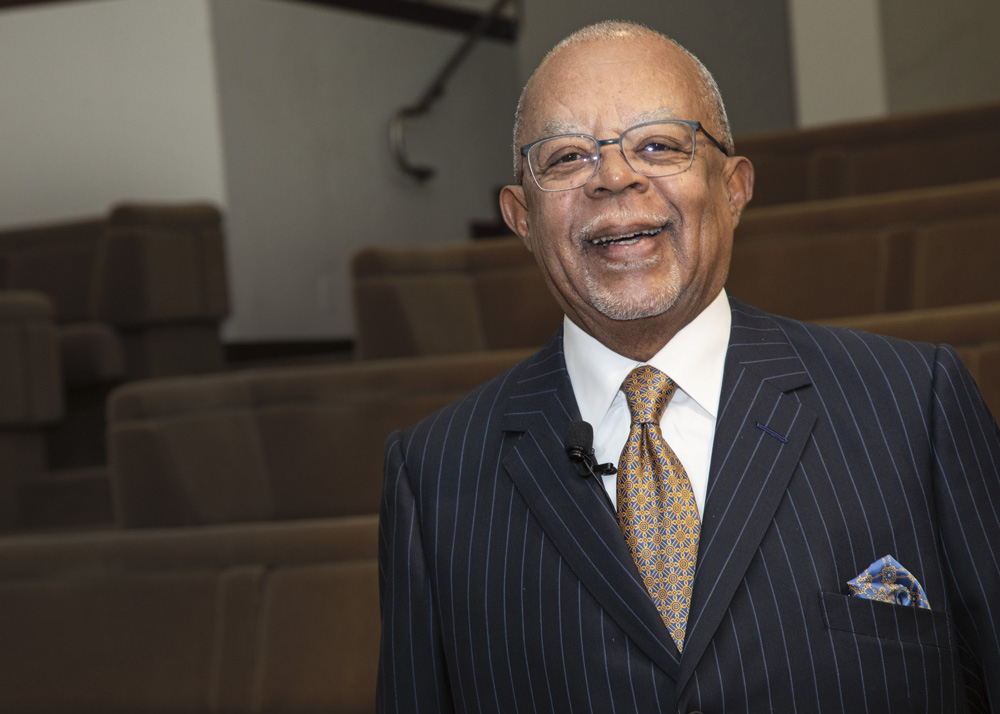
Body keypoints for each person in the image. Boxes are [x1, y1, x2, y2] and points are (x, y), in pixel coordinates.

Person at [376, 20, 1000, 713]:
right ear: (520, 216)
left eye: (658, 145)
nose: (614, 177)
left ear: (734, 187)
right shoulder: (432, 474)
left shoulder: (915, 405)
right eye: (567, 158)